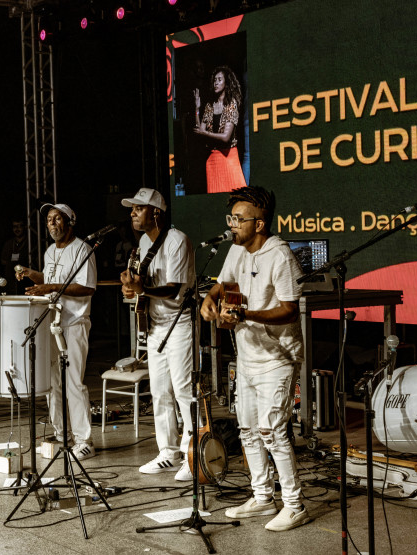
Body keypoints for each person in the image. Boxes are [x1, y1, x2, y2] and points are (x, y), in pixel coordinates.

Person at [200, 186, 310, 532]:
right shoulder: (237, 249)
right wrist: (209, 298)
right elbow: (223, 283)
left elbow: (290, 311)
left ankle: (294, 503)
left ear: (259, 224)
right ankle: (263, 496)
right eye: (230, 218)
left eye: (238, 219)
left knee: (272, 430)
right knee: (247, 429)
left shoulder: (280, 257)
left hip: (278, 358)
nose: (232, 225)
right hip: (246, 355)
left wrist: (248, 314)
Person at [119, 187, 196, 480]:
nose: (133, 214)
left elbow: (173, 288)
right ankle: (168, 452)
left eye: (138, 208)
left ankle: (192, 454)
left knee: (183, 392)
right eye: (133, 209)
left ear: (156, 213)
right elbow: (144, 286)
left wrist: (142, 289)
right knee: (160, 391)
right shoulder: (142, 243)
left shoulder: (177, 241)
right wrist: (132, 286)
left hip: (179, 321)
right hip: (155, 324)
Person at [16, 203, 97, 460]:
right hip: (52, 321)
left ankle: (85, 440)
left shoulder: (83, 249)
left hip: (74, 322)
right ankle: (63, 435)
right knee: (53, 383)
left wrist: (48, 285)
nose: (52, 223)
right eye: (49, 219)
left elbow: (86, 287)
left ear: (70, 221)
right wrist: (34, 276)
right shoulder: (50, 251)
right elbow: (52, 281)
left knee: (73, 382)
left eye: (57, 218)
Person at [193, 66, 247, 193]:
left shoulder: (231, 104)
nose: (216, 83)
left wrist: (205, 133)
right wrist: (197, 109)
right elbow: (200, 131)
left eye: (219, 80)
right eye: (214, 80)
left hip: (229, 158)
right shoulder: (209, 106)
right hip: (213, 159)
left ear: (226, 83)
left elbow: (225, 137)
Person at [0, 219, 30, 295]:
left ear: (25, 227)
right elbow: (2, 261)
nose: (17, 229)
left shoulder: (30, 242)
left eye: (20, 226)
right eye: (15, 227)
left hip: (27, 280)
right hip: (11, 281)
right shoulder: (9, 244)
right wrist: (11, 263)